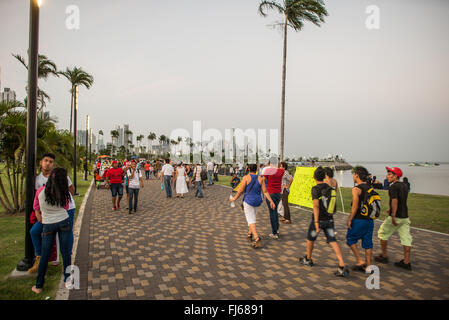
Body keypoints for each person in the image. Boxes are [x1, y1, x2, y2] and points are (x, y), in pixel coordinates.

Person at [28, 153, 76, 273]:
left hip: (66, 209)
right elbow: (37, 198)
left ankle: (67, 260)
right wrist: (38, 213)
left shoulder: (60, 176)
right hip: (47, 212)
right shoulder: (37, 180)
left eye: (50, 161)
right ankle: (39, 258)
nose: (48, 163)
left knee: (66, 235)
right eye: (46, 160)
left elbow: (71, 190)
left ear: (53, 164)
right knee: (35, 231)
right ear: (41, 162)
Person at [300, 167, 349, 277]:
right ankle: (342, 264)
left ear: (314, 177)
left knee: (310, 239)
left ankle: (308, 258)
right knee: (332, 240)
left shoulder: (315, 189)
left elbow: (316, 206)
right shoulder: (330, 188)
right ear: (324, 176)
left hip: (318, 220)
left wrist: (316, 222)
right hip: (329, 219)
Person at [31, 167, 73, 294]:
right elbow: (66, 207)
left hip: (48, 224)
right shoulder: (63, 192)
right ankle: (68, 280)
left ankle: (38, 286)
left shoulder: (40, 192)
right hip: (63, 221)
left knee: (45, 254)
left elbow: (36, 208)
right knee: (65, 252)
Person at [375, 167, 413, 270]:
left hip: (396, 216)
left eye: (390, 174)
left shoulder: (393, 187)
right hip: (405, 216)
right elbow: (402, 200)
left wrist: (393, 215)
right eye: (387, 174)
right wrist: (390, 208)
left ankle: (384, 256)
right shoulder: (404, 186)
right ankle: (406, 262)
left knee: (382, 233)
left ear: (395, 176)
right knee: (406, 239)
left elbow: (395, 201)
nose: (387, 176)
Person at [230, 164, 275, 248]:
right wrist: (271, 201)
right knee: (252, 217)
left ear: (249, 169)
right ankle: (249, 233)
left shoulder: (246, 178)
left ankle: (256, 238)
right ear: (257, 169)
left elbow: (240, 191)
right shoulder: (260, 178)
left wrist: (234, 199)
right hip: (258, 201)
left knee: (251, 220)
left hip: (248, 201)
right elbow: (265, 191)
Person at [346, 166, 374, 273]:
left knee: (350, 239)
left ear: (357, 175)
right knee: (368, 243)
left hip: (359, 220)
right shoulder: (370, 188)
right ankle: (368, 266)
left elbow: (355, 206)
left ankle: (360, 260)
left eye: (353, 174)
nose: (353, 176)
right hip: (369, 220)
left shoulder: (356, 189)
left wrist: (350, 219)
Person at [261, 157, 284, 239]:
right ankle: (276, 229)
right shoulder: (281, 171)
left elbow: (263, 179)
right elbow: (280, 168)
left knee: (272, 212)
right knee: (275, 211)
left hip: (270, 193)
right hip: (278, 193)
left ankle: (274, 233)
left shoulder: (268, 171)